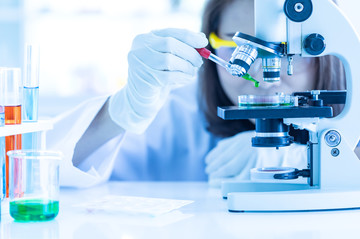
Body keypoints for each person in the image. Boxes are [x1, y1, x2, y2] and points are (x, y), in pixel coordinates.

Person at [47, 0, 346, 188]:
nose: (263, 76)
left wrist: (312, 158)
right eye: (242, 50)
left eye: (291, 52)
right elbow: (40, 173)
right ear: (210, 44)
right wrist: (120, 112)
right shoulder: (176, 116)